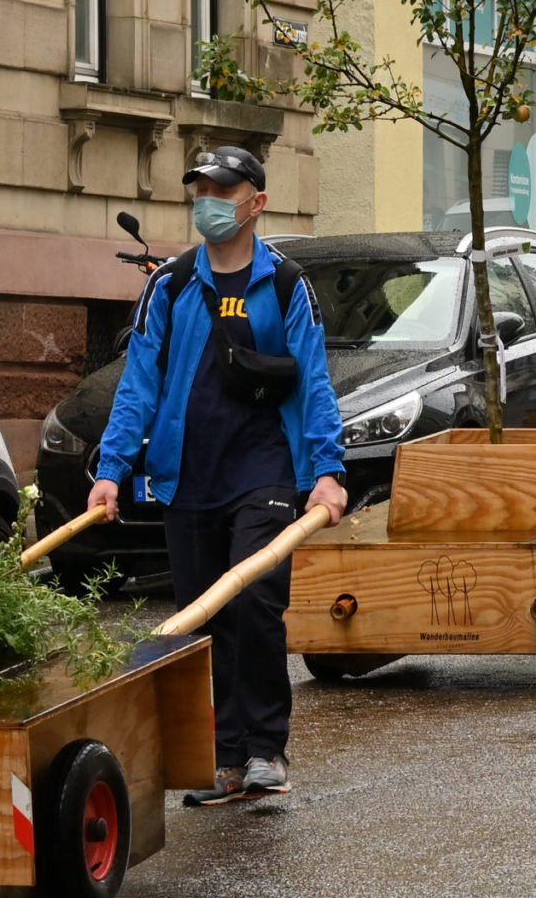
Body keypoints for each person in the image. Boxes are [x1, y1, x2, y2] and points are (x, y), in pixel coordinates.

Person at [92, 146, 348, 805]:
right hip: (188, 476)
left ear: (255, 202)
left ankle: (266, 750)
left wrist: (328, 470)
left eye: (222, 190)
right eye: (201, 189)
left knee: (257, 602)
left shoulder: (287, 285)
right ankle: (227, 759)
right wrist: (111, 470)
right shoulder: (170, 286)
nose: (208, 201)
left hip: (263, 470)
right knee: (206, 619)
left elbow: (314, 384)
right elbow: (138, 383)